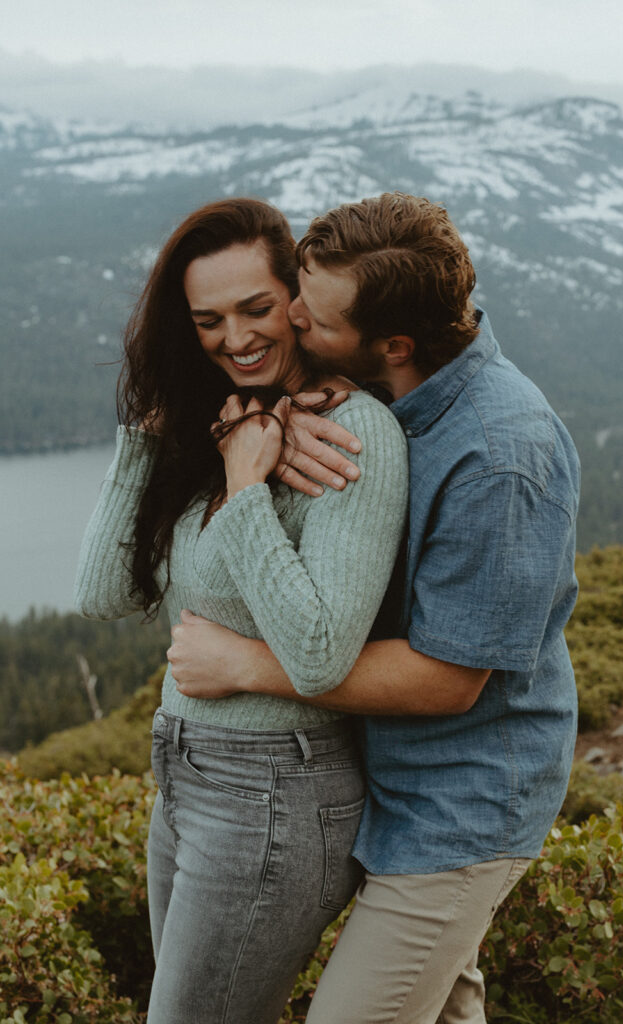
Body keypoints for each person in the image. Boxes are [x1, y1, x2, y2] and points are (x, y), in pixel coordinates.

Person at [167, 192, 581, 1024]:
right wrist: (272, 412)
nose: (286, 322)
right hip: (381, 776)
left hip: (457, 807)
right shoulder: (388, 388)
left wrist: (248, 664)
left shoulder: (501, 456)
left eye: (309, 320)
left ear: (390, 344)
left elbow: (446, 681)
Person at [73, 197, 408, 1024]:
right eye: (208, 320)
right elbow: (103, 594)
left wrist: (247, 489)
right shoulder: (229, 418)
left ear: (296, 302)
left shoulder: (350, 432)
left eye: (256, 309)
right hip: (182, 773)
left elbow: (321, 651)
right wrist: (148, 438)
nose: (236, 337)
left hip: (276, 792)